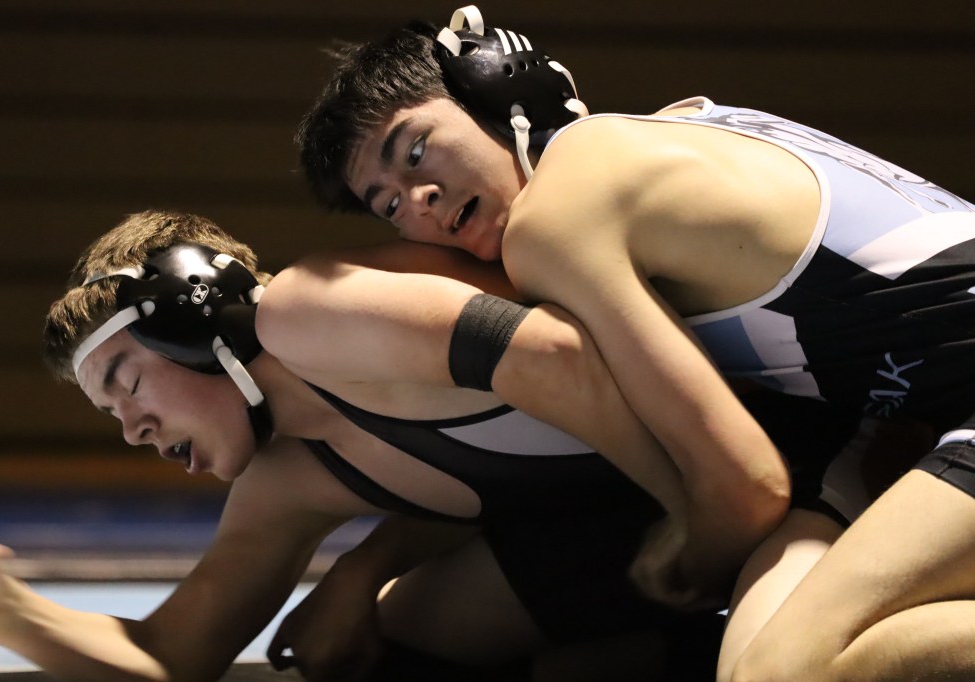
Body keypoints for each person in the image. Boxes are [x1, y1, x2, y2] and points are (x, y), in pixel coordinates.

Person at [296, 6, 975, 680]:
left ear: (498, 91)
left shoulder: (555, 221)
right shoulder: (675, 126)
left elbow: (747, 488)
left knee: (780, 671)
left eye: (416, 151)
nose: (418, 199)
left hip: (927, 413)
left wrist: (689, 554)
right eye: (389, 204)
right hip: (912, 416)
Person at [0, 209, 759, 682]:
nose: (133, 430)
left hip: (765, 467)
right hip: (639, 526)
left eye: (127, 383)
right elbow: (173, 656)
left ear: (192, 319)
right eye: (111, 415)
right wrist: (11, 616)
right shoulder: (286, 482)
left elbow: (566, 360)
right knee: (388, 655)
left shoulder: (318, 313)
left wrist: (698, 514)